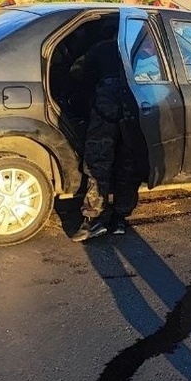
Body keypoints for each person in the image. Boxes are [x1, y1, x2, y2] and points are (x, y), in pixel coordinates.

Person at [70, 34, 144, 241]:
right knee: (128, 163)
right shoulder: (141, 49)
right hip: (134, 106)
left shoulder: (99, 48)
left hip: (105, 108)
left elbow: (79, 76)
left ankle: (93, 219)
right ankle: (119, 218)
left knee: (98, 163)